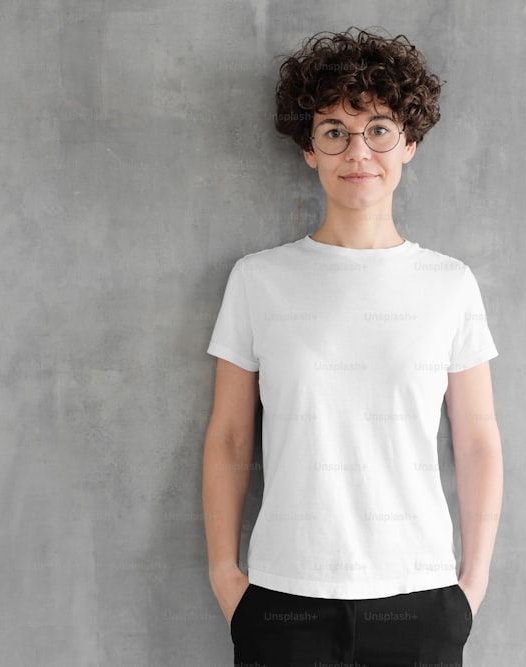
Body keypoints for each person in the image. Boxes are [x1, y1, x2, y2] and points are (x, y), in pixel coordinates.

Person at [203, 28, 502, 667]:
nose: (357, 150)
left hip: (420, 599)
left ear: (410, 142)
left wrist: (470, 587)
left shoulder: (449, 285)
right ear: (309, 149)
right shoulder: (259, 279)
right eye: (334, 130)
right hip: (285, 600)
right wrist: (227, 578)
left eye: (379, 128)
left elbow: (477, 441)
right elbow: (230, 435)